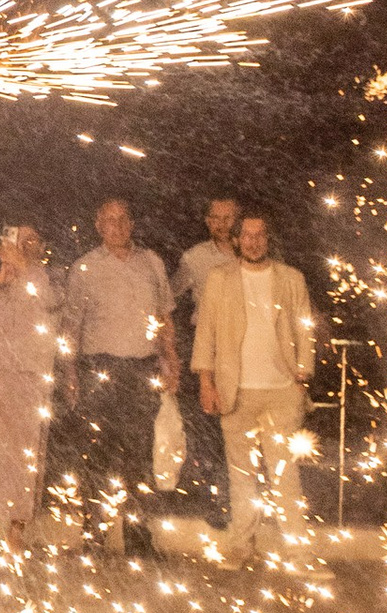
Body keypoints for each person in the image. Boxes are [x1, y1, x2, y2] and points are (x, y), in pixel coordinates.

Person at [193, 209, 321, 554]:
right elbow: (207, 333)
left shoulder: (291, 278)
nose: (253, 242)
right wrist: (207, 381)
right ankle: (240, 543)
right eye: (246, 235)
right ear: (236, 239)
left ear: (268, 238)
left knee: (286, 475)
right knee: (241, 474)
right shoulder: (219, 278)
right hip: (237, 391)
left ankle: (298, 551)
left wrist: (301, 378)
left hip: (281, 392)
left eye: (260, 235)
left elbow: (304, 330)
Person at [65, 197, 178, 559]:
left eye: (123, 219)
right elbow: (71, 327)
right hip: (99, 369)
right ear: (99, 226)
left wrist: (170, 359)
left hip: (141, 369)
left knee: (140, 456)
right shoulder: (84, 267)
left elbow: (164, 318)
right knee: (96, 456)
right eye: (109, 221)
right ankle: (94, 537)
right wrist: (69, 373)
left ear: (132, 223)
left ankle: (138, 538)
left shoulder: (152, 263)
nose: (117, 226)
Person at [0, 226, 69, 545]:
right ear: (1, 246)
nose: (23, 246)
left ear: (42, 246)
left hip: (31, 376)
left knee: (24, 456)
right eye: (17, 241)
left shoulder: (51, 278)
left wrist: (26, 268)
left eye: (31, 241)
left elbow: (49, 301)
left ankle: (15, 532)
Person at [173, 197, 241, 524]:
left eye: (228, 218)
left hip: (245, 347)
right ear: (207, 220)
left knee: (240, 423)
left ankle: (242, 498)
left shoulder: (255, 254)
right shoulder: (195, 258)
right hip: (207, 346)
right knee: (208, 425)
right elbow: (168, 295)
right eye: (215, 217)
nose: (221, 224)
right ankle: (216, 498)